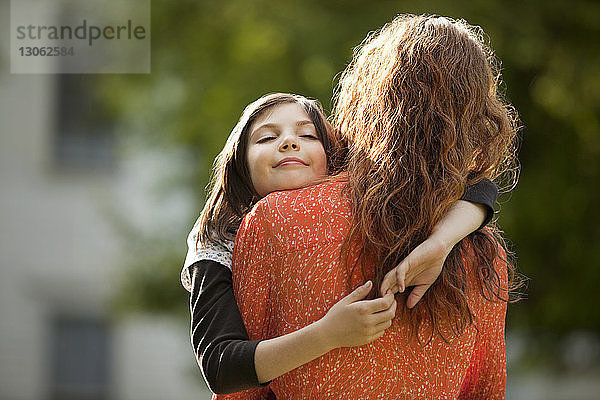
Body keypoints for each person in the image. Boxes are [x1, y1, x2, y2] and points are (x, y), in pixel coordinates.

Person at [219, 15, 520, 399]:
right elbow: (485, 391)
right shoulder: (483, 252)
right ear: (478, 119)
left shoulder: (278, 219)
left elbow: (238, 390)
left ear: (365, 102)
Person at [182, 92, 498, 395]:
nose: (290, 142)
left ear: (333, 158)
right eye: (267, 137)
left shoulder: (369, 205)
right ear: (241, 166)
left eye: (308, 136)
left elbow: (477, 186)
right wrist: (327, 334)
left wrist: (442, 242)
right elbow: (219, 367)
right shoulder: (219, 238)